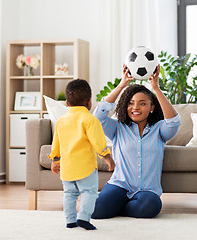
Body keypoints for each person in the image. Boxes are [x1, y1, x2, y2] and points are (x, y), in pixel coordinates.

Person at [92, 65, 181, 219]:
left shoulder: (160, 129)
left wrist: (156, 89)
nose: (135, 108)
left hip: (147, 190)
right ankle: (119, 203)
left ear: (152, 108)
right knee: (95, 211)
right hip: (120, 185)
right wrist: (122, 85)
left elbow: (173, 122)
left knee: (149, 208)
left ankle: (120, 207)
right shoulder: (117, 127)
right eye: (131, 103)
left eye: (142, 103)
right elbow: (97, 117)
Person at [48, 79, 115, 230]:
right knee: (89, 192)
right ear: (89, 101)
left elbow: (56, 144)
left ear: (67, 103)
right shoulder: (90, 120)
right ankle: (84, 218)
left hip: (67, 168)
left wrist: (55, 160)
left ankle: (70, 220)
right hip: (86, 168)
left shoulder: (61, 121)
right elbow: (98, 141)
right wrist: (107, 156)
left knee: (69, 194)